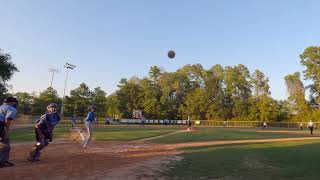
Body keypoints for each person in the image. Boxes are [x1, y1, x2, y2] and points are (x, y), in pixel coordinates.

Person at [0, 97, 18, 168]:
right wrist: (7, 130)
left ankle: (4, 159)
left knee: (5, 143)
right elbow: (8, 120)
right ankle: (1, 162)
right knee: (5, 146)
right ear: (11, 102)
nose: (15, 105)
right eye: (15, 103)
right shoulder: (11, 108)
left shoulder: (1, 107)